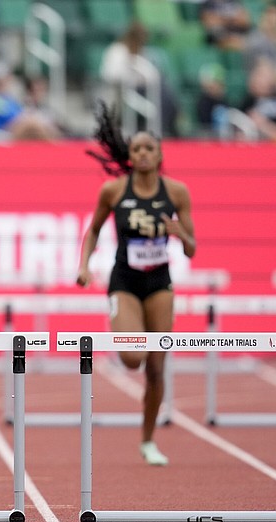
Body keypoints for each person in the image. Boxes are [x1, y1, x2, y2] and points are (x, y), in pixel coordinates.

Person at [76, 102, 196, 466]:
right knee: (132, 358)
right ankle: (128, 335)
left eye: (149, 149)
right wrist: (85, 265)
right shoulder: (113, 191)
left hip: (160, 282)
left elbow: (192, 249)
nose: (143, 154)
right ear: (131, 155)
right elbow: (94, 230)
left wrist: (180, 235)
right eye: (137, 148)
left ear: (160, 155)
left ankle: (147, 440)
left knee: (156, 367)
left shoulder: (176, 192)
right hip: (124, 281)